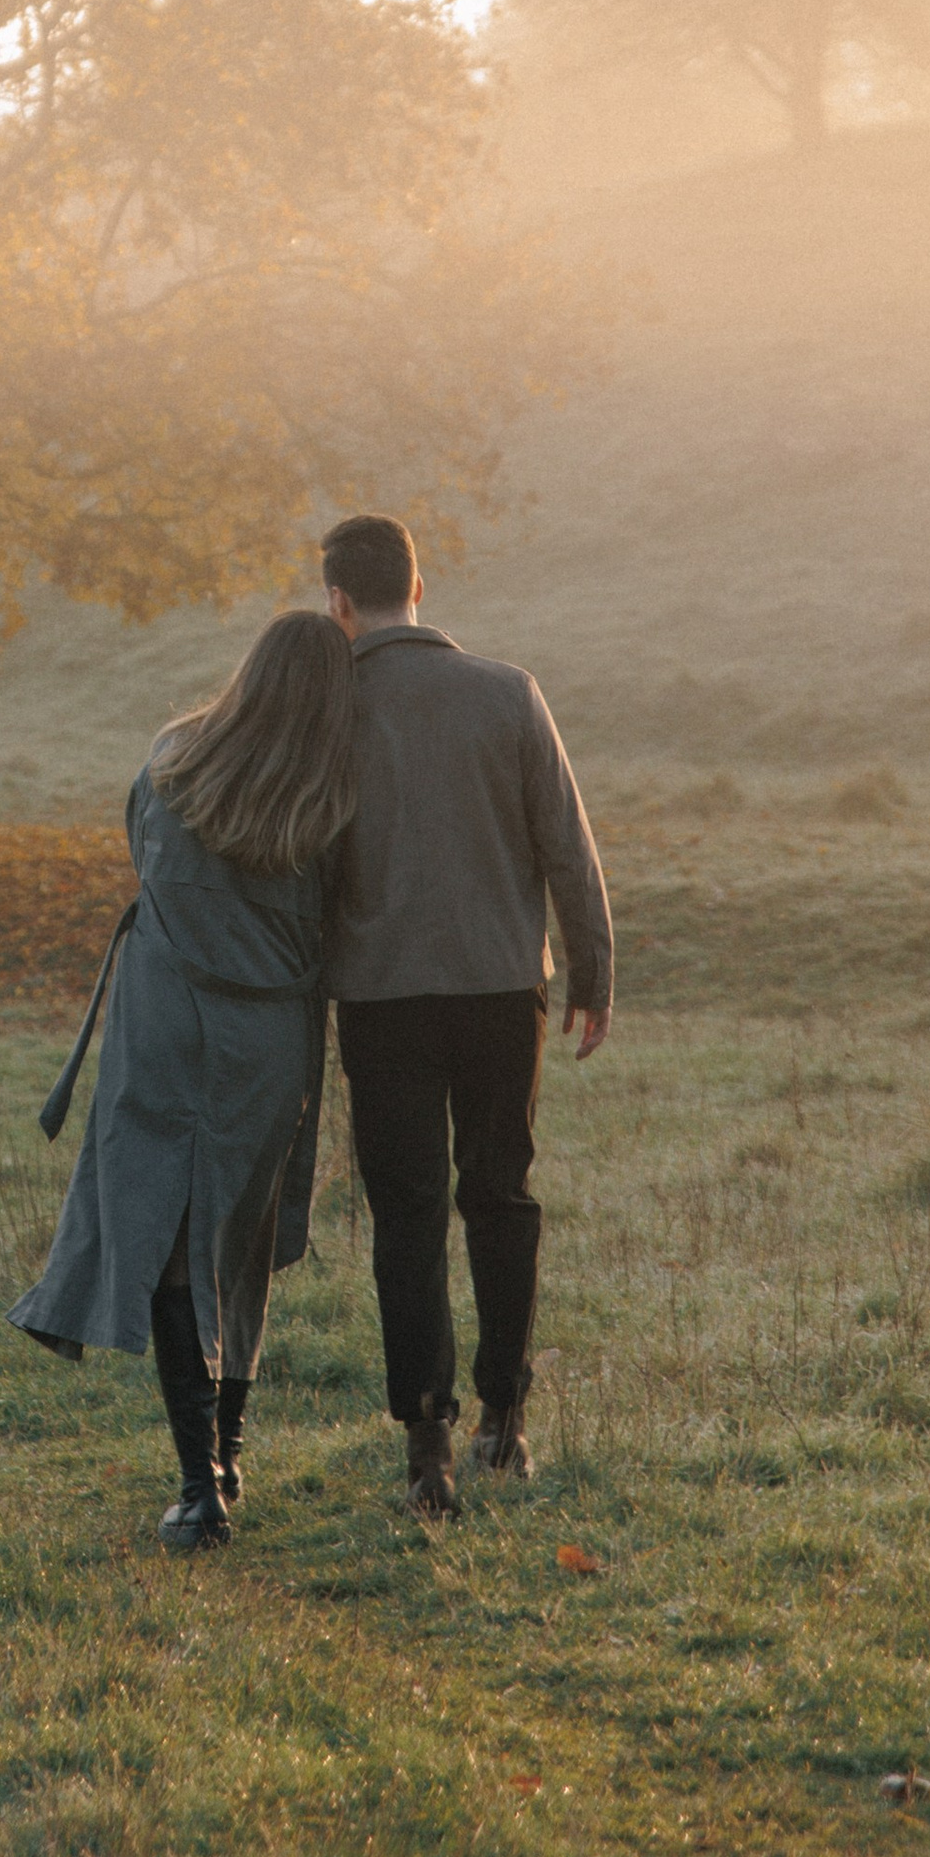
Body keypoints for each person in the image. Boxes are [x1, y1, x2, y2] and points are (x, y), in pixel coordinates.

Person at [9, 609, 355, 1550]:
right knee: (235, 1239)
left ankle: (200, 1485)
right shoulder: (330, 800)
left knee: (167, 1236)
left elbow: (144, 860)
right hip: (266, 1039)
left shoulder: (173, 760)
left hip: (162, 1021)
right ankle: (226, 1453)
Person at [322, 510, 613, 1520]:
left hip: (382, 996)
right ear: (419, 589)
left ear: (338, 603)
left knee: (406, 1216)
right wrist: (593, 974)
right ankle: (507, 1422)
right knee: (500, 1194)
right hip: (501, 989)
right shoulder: (507, 692)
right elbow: (567, 849)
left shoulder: (330, 703)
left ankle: (425, 1451)